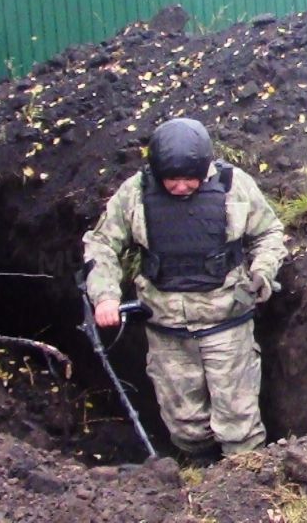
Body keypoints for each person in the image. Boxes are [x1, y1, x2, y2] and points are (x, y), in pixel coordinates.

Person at [82, 117, 286, 462]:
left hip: (227, 321)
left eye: (188, 178)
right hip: (166, 329)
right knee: (185, 425)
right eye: (171, 180)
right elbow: (101, 243)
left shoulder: (234, 186)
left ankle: (247, 487)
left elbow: (270, 234)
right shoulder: (136, 192)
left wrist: (261, 274)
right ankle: (198, 481)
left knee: (238, 422)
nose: (179, 187)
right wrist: (105, 295)